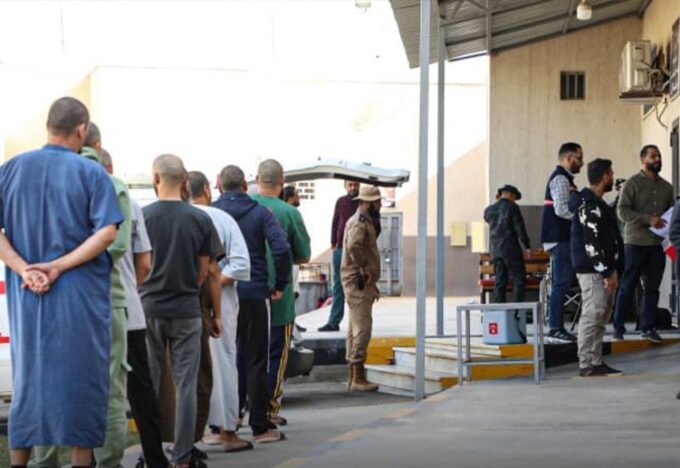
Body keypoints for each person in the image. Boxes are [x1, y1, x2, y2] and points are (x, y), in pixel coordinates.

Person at [0, 97, 123, 467]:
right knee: (81, 383)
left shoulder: (11, 169)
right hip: (79, 296)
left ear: (49, 125)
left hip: (27, 296)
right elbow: (107, 233)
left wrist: (24, 269)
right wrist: (57, 266)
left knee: (28, 381)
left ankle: (19, 462)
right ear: (82, 130)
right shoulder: (92, 173)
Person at [140, 154, 221, 468]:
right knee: (186, 385)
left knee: (150, 383)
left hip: (149, 309)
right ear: (185, 181)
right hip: (187, 310)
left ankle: (151, 454)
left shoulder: (142, 217)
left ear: (155, 178)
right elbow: (205, 270)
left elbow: (138, 266)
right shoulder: (200, 219)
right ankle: (183, 456)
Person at [212, 165, 291, 443]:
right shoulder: (260, 213)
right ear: (246, 186)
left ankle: (222, 424)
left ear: (219, 184)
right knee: (257, 360)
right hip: (255, 293)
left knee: (224, 358)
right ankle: (259, 426)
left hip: (221, 294)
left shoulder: (212, 213)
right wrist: (280, 284)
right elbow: (281, 248)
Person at [187, 171, 253, 453]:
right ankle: (227, 432)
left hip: (181, 301)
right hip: (220, 302)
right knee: (223, 362)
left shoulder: (178, 217)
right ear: (206, 189)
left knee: (184, 369)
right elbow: (240, 263)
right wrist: (212, 282)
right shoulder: (221, 219)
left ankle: (187, 438)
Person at [252, 159, 311, 427]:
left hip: (244, 296)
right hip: (279, 298)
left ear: (257, 179)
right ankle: (268, 409)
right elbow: (303, 255)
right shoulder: (289, 213)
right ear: (282, 181)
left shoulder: (244, 207)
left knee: (246, 354)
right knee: (276, 355)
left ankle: (241, 408)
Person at [121, 195, 169, 468]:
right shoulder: (128, 203)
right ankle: (154, 456)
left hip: (87, 316)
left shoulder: (72, 196)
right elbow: (144, 264)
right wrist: (131, 287)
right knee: (141, 390)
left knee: (95, 392)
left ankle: (92, 458)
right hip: (129, 311)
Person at [613, 145, 674, 343]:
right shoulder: (632, 184)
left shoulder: (667, 187)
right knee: (628, 285)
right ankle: (618, 327)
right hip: (635, 243)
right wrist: (648, 219)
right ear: (643, 160)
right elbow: (622, 211)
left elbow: (671, 214)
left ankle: (647, 327)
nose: (657, 159)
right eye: (653, 156)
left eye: (659, 156)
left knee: (652, 288)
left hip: (657, 245)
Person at [570, 159, 624, 377]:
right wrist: (605, 271)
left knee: (601, 317)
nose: (612, 177)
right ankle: (586, 364)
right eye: (611, 173)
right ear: (604, 177)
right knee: (593, 315)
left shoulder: (598, 204)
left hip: (604, 269)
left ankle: (596, 360)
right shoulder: (588, 205)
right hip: (593, 271)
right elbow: (591, 241)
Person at [540, 142, 584, 342]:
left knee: (562, 283)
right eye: (579, 158)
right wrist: (582, 218)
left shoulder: (566, 179)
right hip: (560, 238)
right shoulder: (560, 179)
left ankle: (556, 326)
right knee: (561, 284)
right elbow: (561, 209)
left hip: (561, 239)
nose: (581, 162)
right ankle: (556, 327)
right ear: (568, 159)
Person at [342, 185, 382, 392]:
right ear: (366, 202)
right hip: (358, 280)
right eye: (377, 202)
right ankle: (357, 375)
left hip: (360, 281)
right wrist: (365, 268)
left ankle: (354, 375)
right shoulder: (359, 222)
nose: (380, 205)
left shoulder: (363, 220)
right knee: (362, 328)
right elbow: (353, 247)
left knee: (354, 328)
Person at [319, 180, 360, 332]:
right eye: (350, 185)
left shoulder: (363, 202)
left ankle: (357, 323)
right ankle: (333, 322)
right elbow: (335, 222)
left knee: (357, 287)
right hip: (340, 249)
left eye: (355, 184)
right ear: (345, 186)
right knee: (338, 286)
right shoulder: (341, 202)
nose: (353, 187)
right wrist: (333, 242)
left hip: (357, 251)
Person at [483, 184, 531, 303]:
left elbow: (487, 218)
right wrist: (527, 246)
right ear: (511, 195)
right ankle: (517, 310)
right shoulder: (512, 207)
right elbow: (520, 228)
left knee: (500, 281)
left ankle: (500, 311)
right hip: (510, 249)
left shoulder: (489, 210)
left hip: (495, 250)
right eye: (514, 198)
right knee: (518, 280)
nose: (514, 200)